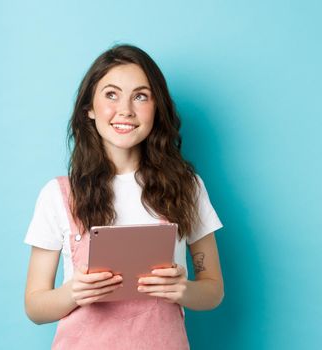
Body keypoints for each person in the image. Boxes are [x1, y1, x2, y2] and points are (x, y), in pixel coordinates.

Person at [23, 44, 224, 349]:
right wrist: (74, 292)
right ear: (89, 107)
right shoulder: (58, 194)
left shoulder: (187, 187)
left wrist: (181, 289)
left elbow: (213, 291)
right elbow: (35, 307)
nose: (126, 110)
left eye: (140, 96)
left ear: (157, 109)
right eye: (111, 94)